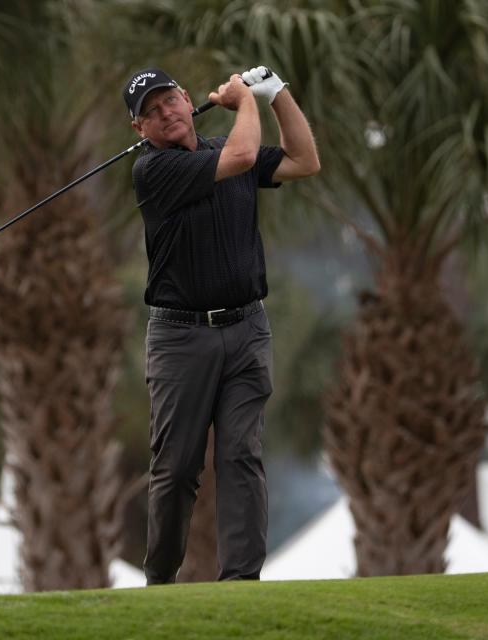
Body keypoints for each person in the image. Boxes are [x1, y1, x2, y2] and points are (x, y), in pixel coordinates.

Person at [123, 65, 320, 584]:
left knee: (242, 457)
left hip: (246, 330)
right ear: (139, 130)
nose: (164, 112)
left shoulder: (223, 148)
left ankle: (241, 585)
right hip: (179, 338)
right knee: (176, 469)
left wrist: (276, 93)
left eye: (169, 100)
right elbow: (242, 156)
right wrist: (243, 100)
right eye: (150, 111)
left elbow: (305, 160)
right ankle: (160, 582)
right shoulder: (153, 171)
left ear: (188, 101)